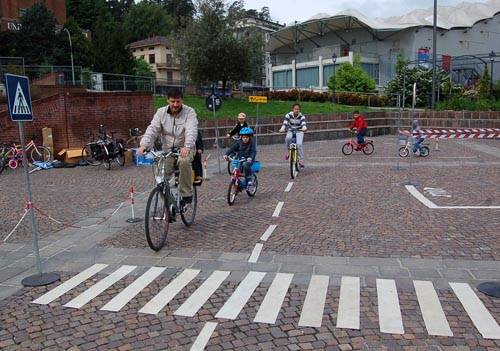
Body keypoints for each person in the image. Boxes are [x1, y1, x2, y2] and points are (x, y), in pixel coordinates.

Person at [137, 88, 198, 204]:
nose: (175, 104)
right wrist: (144, 145)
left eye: (178, 101)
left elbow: (191, 130)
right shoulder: (161, 112)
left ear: (182, 101)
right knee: (160, 176)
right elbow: (153, 129)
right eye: (172, 101)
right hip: (168, 149)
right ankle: (168, 204)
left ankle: (186, 194)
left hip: (185, 147)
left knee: (184, 162)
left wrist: (187, 146)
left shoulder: (189, 112)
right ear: (167, 101)